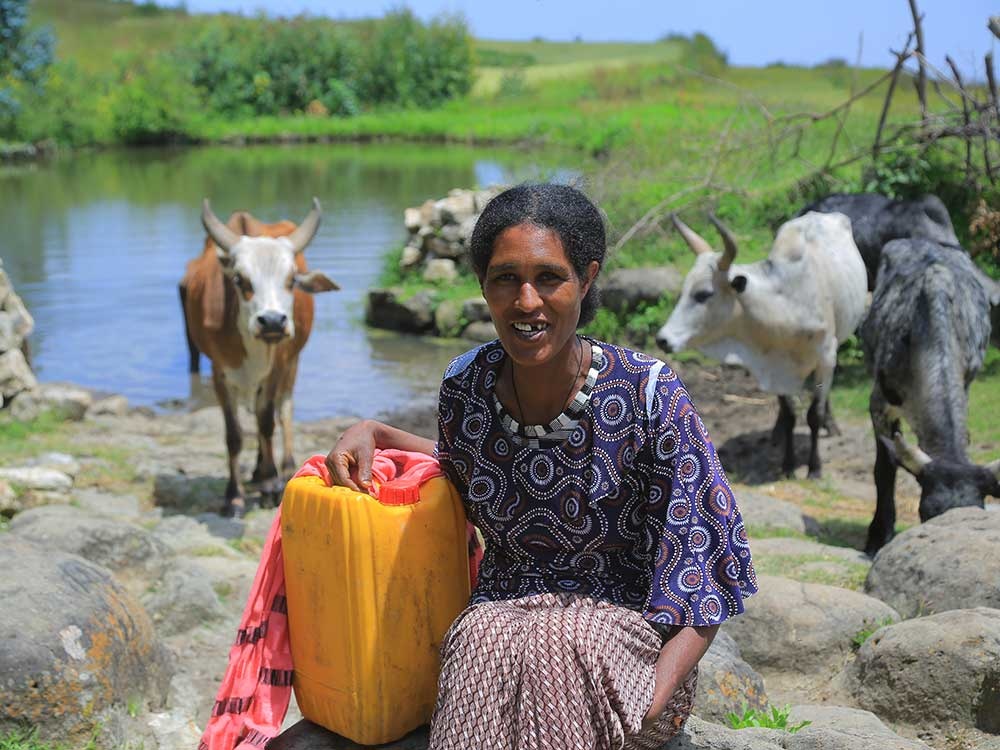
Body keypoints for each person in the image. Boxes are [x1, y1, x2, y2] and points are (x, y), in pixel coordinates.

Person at [326, 183, 757, 749]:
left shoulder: (650, 395)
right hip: (501, 634)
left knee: (561, 634)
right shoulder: (466, 387)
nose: (527, 301)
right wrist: (376, 432)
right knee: (476, 630)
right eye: (506, 278)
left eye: (549, 277)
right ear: (483, 285)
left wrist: (654, 698)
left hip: (628, 650)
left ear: (587, 279)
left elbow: (704, 572)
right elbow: (462, 467)